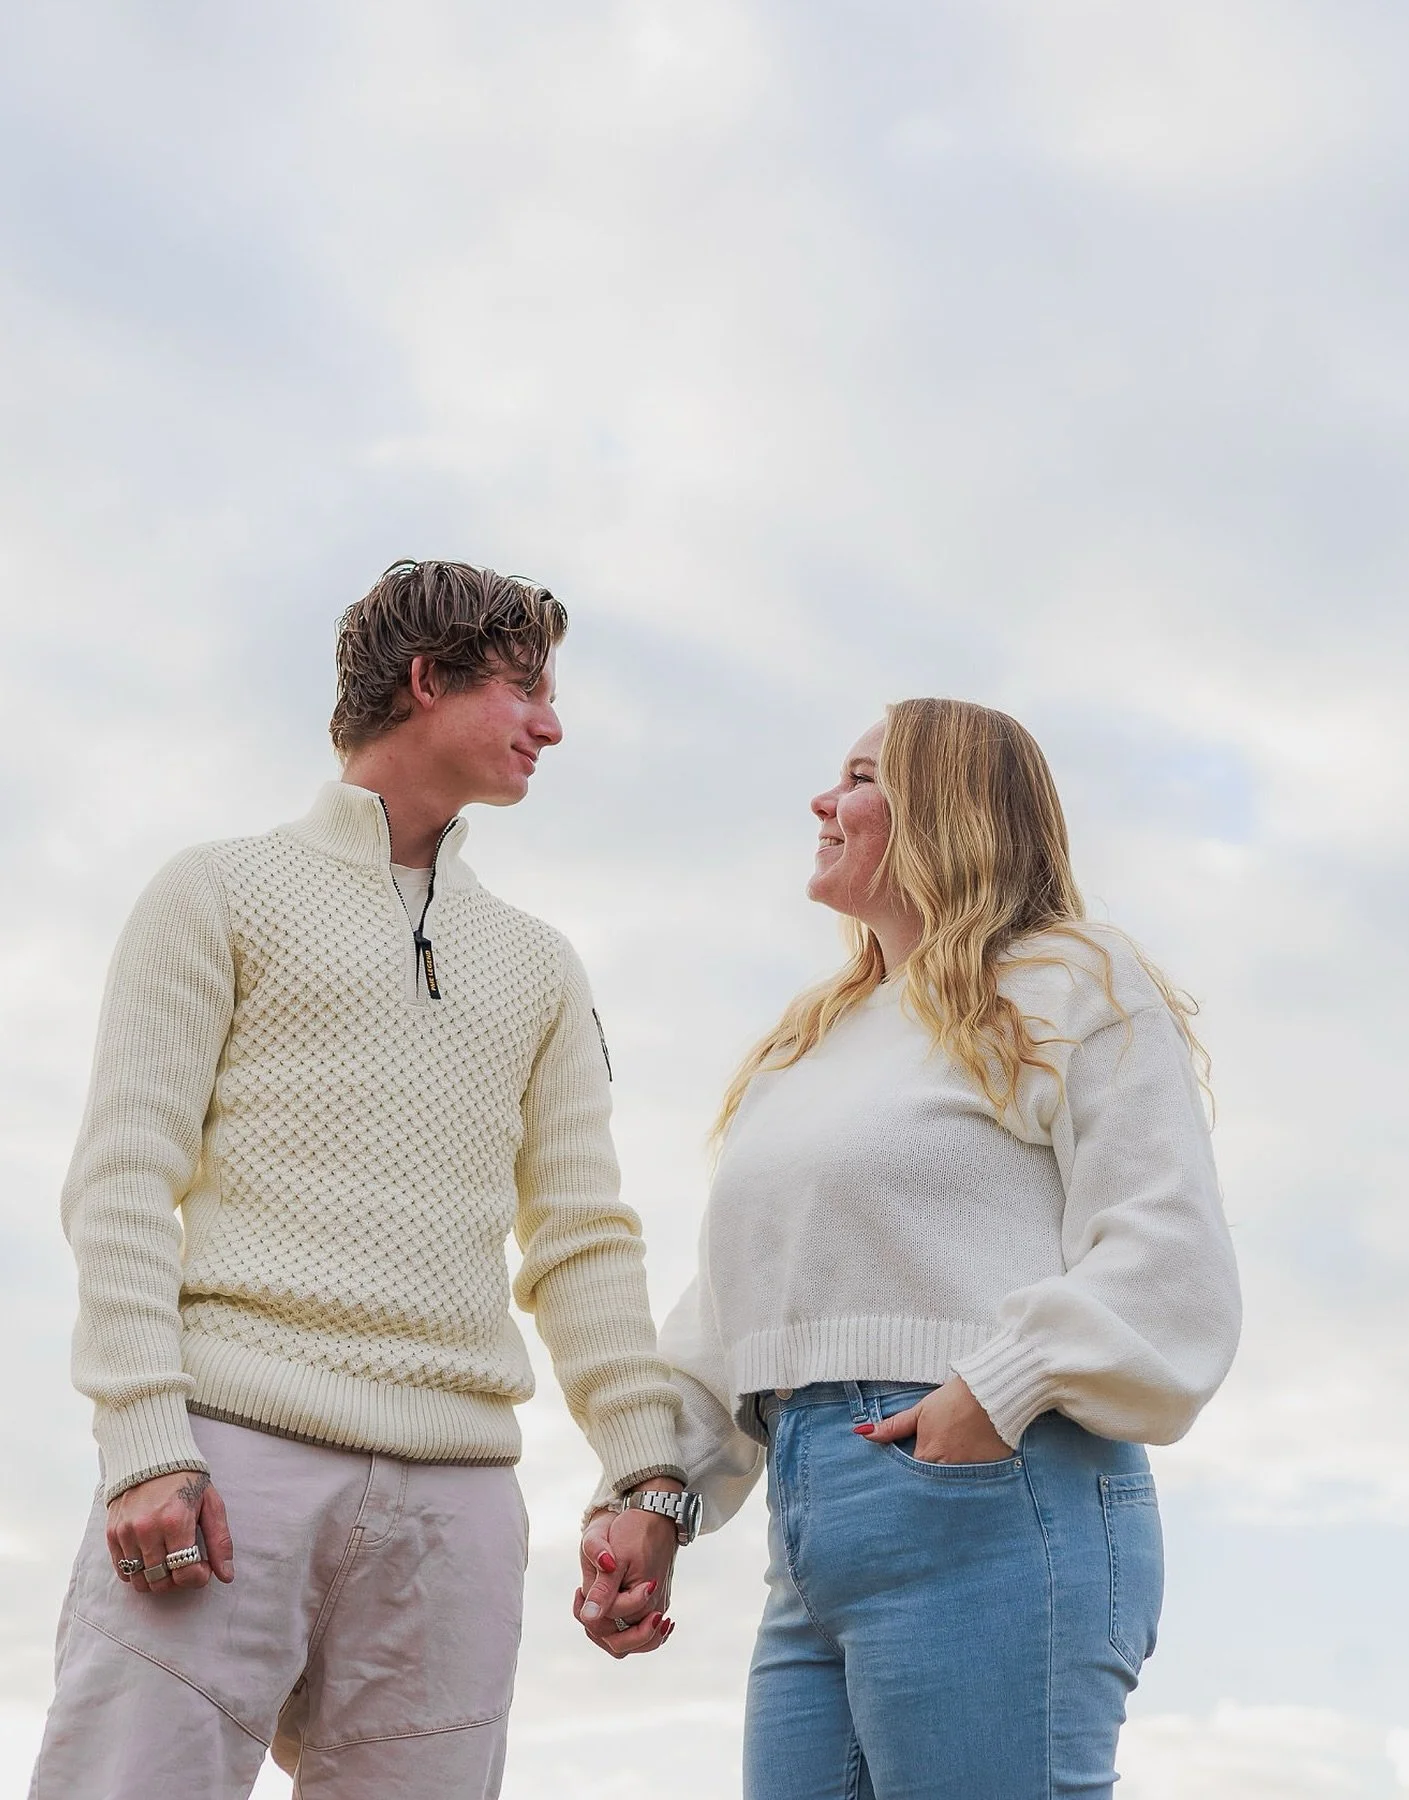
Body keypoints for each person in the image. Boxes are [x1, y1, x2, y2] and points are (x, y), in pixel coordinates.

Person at [32, 558, 701, 1800]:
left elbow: (583, 1243)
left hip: (458, 1505)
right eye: (522, 688)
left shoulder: (542, 966)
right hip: (226, 1468)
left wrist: (641, 1469)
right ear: (426, 679)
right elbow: (123, 1182)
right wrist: (143, 1442)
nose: (551, 724)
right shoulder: (216, 892)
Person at [580, 697, 1242, 1799]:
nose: (822, 801)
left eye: (860, 776)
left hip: (993, 1493)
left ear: (950, 809)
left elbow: (1170, 1256)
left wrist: (991, 1392)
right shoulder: (810, 1041)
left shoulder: (1071, 980)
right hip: (810, 1529)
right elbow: (735, 1306)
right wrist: (657, 1498)